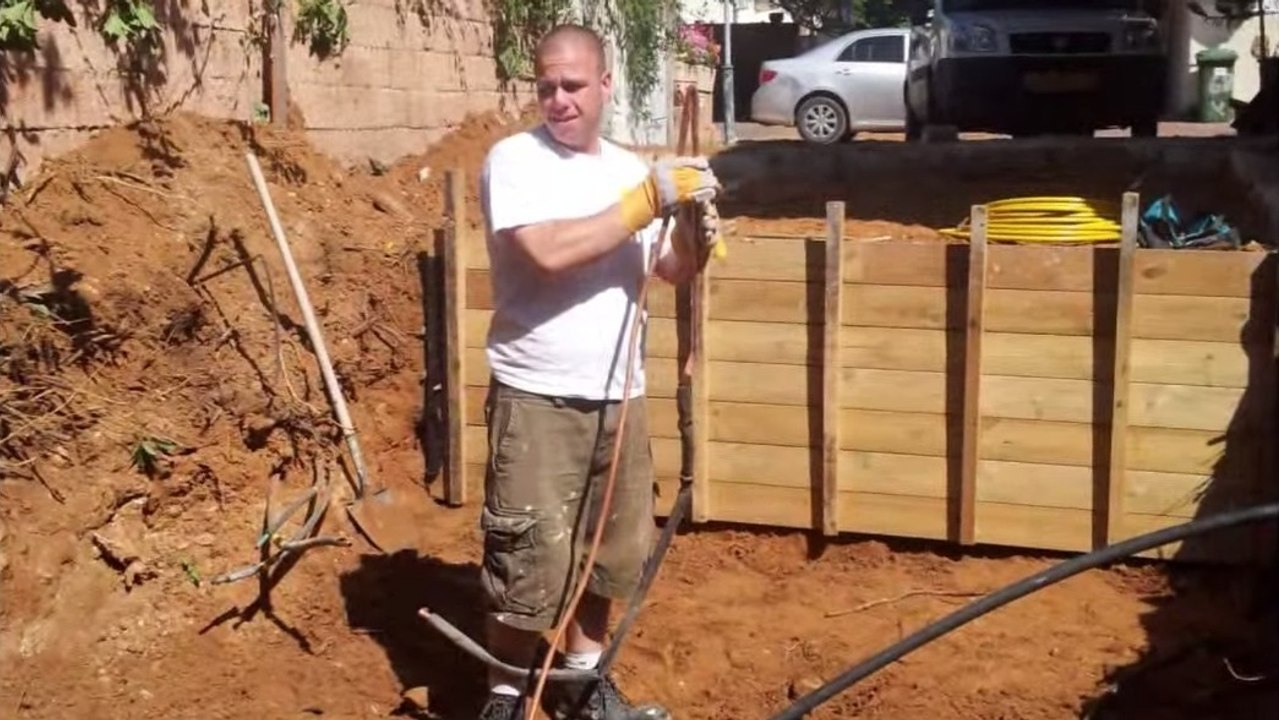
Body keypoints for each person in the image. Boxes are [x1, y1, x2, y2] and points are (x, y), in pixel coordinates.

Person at [474, 22, 720, 720]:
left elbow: (670, 268)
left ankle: (582, 683)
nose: (559, 99)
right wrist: (648, 200)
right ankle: (505, 694)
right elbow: (548, 253)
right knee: (528, 559)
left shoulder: (624, 167)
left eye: (573, 85)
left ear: (605, 84)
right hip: (538, 397)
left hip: (620, 395)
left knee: (606, 553)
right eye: (546, 86)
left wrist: (695, 228)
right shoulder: (514, 161)